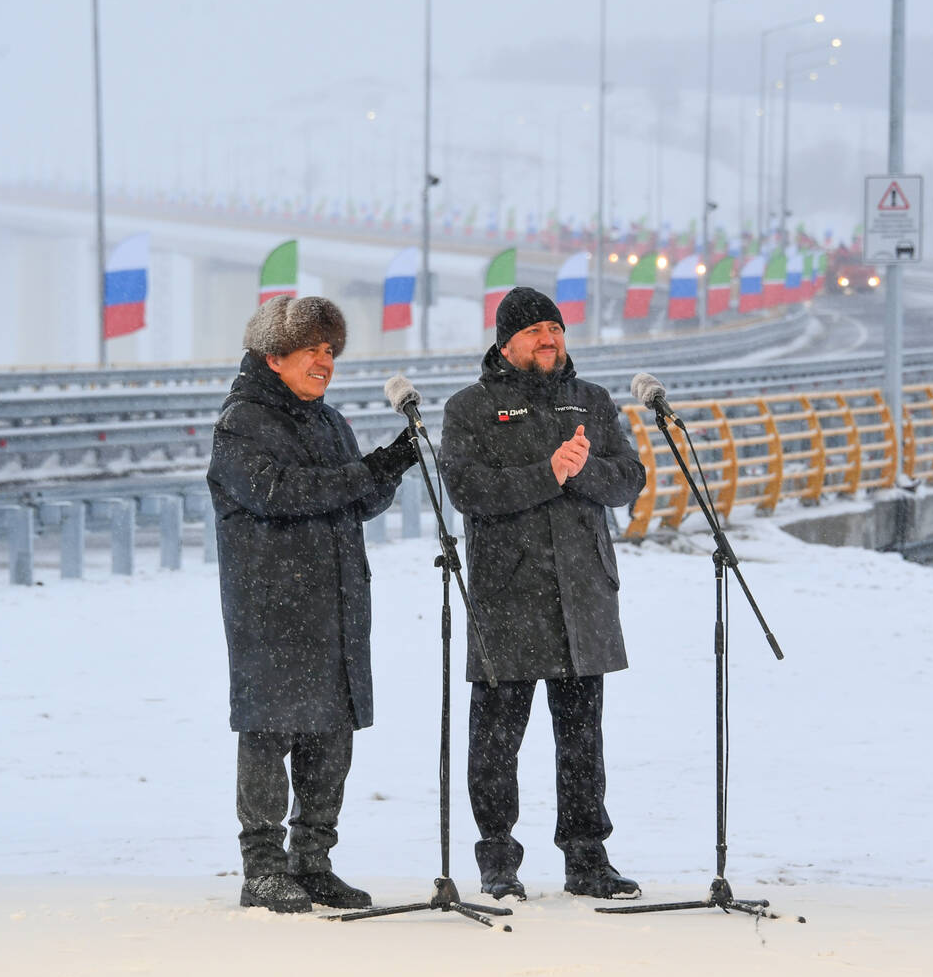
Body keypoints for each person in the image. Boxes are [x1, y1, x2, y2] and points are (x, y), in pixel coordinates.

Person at [207, 295, 417, 914]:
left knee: (331, 736)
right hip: (271, 607)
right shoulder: (242, 423)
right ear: (275, 357)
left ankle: (313, 862)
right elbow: (278, 493)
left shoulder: (330, 422)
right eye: (312, 350)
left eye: (331, 351)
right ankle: (264, 870)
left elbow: (352, 503)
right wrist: (366, 471)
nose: (325, 362)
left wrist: (393, 465)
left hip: (337, 602)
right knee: (270, 731)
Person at [440, 286, 648, 901]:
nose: (549, 338)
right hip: (509, 597)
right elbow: (469, 490)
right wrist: (548, 473)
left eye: (555, 328)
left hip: (583, 595)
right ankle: (497, 859)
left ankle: (587, 858)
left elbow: (628, 480)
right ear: (506, 342)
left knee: (583, 738)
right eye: (534, 331)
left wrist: (585, 469)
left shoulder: (592, 402)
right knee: (497, 739)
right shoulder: (470, 409)